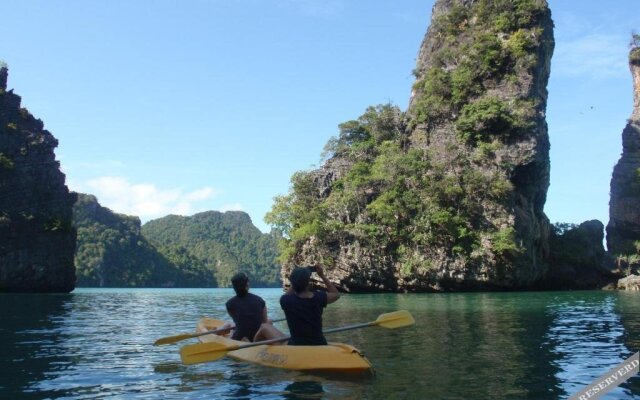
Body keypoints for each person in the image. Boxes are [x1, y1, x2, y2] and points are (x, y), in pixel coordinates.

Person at [280, 265, 340, 345]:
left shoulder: (286, 301)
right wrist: (322, 275)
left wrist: (295, 282)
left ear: (292, 282)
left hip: (296, 345)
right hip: (319, 344)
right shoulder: (319, 297)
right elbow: (336, 294)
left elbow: (287, 294)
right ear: (308, 282)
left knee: (266, 327)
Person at [225, 272, 284, 342]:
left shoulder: (229, 304)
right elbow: (264, 322)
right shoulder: (259, 300)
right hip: (259, 337)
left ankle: (214, 334)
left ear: (234, 287)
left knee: (230, 325)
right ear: (247, 285)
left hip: (239, 337)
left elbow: (236, 320)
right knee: (269, 322)